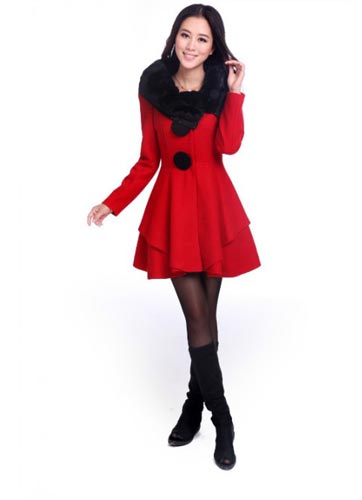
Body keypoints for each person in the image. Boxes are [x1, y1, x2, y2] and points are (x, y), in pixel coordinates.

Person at [87, 3, 260, 470]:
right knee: (197, 318)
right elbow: (149, 159)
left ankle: (192, 406)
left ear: (213, 46)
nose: (191, 45)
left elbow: (229, 146)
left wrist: (236, 94)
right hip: (175, 212)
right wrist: (112, 202)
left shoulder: (220, 88)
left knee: (207, 320)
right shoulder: (154, 87)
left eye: (203, 39)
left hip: (215, 209)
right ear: (174, 36)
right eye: (186, 34)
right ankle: (223, 419)